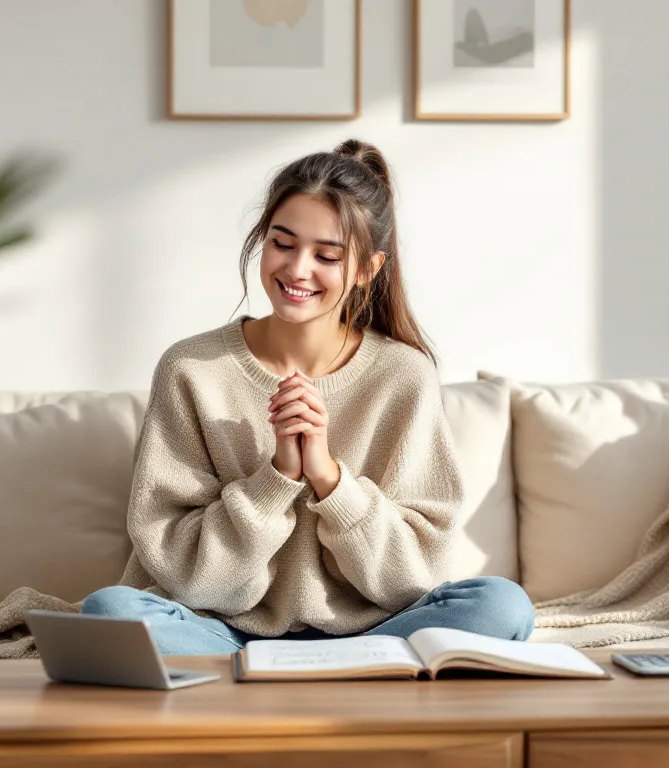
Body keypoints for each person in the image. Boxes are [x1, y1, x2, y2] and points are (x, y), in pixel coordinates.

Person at [81, 139, 534, 655]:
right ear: (262, 240)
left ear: (367, 268)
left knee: (502, 606)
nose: (297, 270)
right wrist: (275, 480)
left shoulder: (404, 375)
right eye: (283, 243)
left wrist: (328, 477)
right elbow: (184, 573)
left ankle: (288, 669)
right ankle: (327, 670)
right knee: (110, 612)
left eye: (327, 255)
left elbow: (416, 575)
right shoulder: (190, 369)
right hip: (222, 627)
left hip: (374, 626)